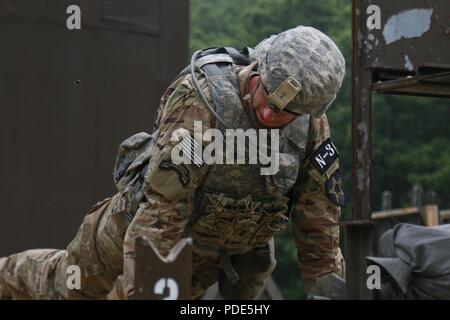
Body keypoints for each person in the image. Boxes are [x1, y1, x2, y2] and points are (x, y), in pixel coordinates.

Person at [0, 26, 346, 300]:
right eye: (266, 95)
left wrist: (326, 293)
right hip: (140, 226)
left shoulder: (311, 127)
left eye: (286, 111)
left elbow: (319, 224)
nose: (270, 112)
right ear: (259, 65)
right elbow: (163, 211)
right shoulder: (203, 103)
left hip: (214, 251)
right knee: (69, 287)